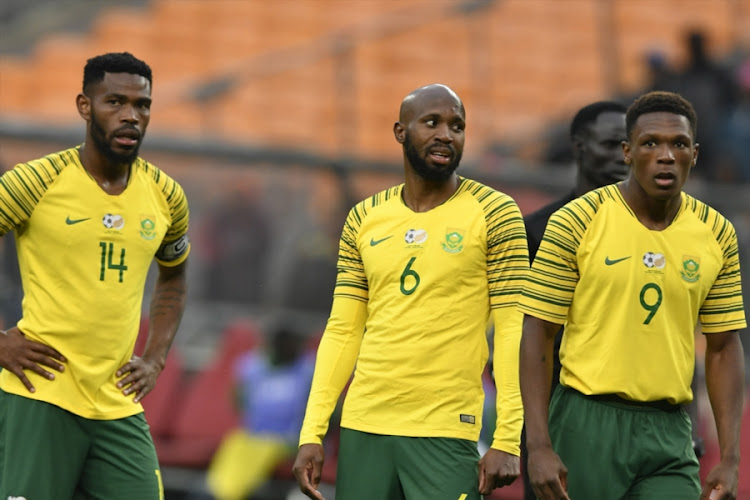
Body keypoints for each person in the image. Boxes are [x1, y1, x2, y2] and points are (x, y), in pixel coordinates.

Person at [292, 84, 528, 500]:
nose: (446, 134)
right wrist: (312, 431)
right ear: (401, 132)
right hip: (365, 425)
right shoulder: (364, 218)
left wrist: (507, 437)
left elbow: (513, 331)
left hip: (445, 430)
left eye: (457, 126)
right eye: (432, 122)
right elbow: (344, 331)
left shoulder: (496, 212)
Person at [519, 91, 746, 500]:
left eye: (678, 144)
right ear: (627, 152)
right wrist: (537, 445)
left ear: (694, 154)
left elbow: (724, 345)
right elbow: (538, 332)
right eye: (650, 143)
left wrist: (730, 458)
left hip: (670, 429)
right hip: (587, 420)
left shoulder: (716, 232)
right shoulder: (577, 220)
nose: (665, 155)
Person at [0, 52, 190, 499]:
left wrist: (156, 356)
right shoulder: (35, 182)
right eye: (115, 102)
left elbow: (174, 278)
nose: (131, 116)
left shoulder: (166, 196)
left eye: (142, 105)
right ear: (85, 106)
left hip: (116, 403)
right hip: (40, 393)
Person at [520, 100, 629, 500]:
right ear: (579, 146)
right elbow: (520, 336)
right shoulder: (537, 231)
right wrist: (533, 438)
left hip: (641, 420)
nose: (623, 156)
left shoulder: (658, 232)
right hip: (558, 419)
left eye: (629, 145)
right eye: (611, 143)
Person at [207, 324, 315, 500]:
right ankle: (218, 491)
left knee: (263, 449)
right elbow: (239, 401)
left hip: (290, 440)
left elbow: (332, 414)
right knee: (235, 442)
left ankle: (233, 493)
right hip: (255, 434)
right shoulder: (253, 366)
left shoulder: (309, 370)